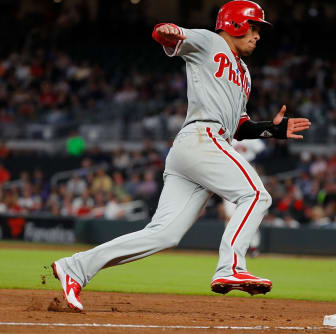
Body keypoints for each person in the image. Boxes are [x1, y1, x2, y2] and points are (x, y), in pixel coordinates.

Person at [50, 0, 311, 311]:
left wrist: (272, 130)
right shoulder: (210, 41)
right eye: (253, 27)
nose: (258, 35)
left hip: (198, 147)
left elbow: (240, 126)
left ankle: (75, 267)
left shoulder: (243, 73)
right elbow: (168, 35)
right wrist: (168, 31)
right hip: (202, 138)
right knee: (256, 195)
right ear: (236, 24)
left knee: (164, 234)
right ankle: (230, 266)